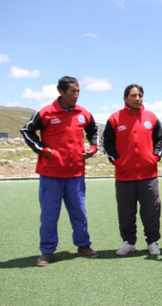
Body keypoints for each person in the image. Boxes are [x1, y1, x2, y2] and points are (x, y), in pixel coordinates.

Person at [20, 76, 99, 266]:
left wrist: (93, 148)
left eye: (78, 91)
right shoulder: (46, 112)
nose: (76, 95)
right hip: (50, 175)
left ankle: (83, 245)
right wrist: (44, 150)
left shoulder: (83, 113)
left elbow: (94, 130)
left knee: (79, 211)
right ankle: (47, 250)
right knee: (49, 214)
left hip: (75, 174)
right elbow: (27, 131)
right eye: (73, 91)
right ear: (61, 92)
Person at [102, 84, 162, 256]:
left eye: (140, 95)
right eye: (134, 95)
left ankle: (152, 242)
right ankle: (129, 242)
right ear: (125, 98)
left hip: (148, 175)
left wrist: (154, 157)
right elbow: (107, 143)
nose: (138, 98)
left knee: (152, 211)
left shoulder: (151, 117)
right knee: (126, 212)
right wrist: (118, 162)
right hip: (124, 176)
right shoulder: (115, 118)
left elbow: (159, 140)